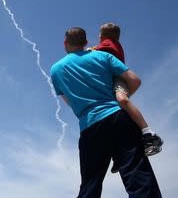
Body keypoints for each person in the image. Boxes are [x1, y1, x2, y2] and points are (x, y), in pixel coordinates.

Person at [50, 27, 162, 197]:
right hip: (119, 118)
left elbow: (69, 102)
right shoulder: (104, 56)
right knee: (137, 175)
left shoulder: (56, 70)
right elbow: (134, 80)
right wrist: (119, 98)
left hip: (89, 127)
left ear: (65, 42)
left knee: (90, 184)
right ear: (86, 43)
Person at [93, 23, 163, 173]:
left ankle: (148, 133)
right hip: (110, 80)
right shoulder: (112, 42)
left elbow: (103, 50)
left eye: (100, 35)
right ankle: (118, 155)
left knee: (122, 100)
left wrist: (88, 51)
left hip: (118, 79)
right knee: (115, 114)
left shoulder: (110, 44)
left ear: (103, 36)